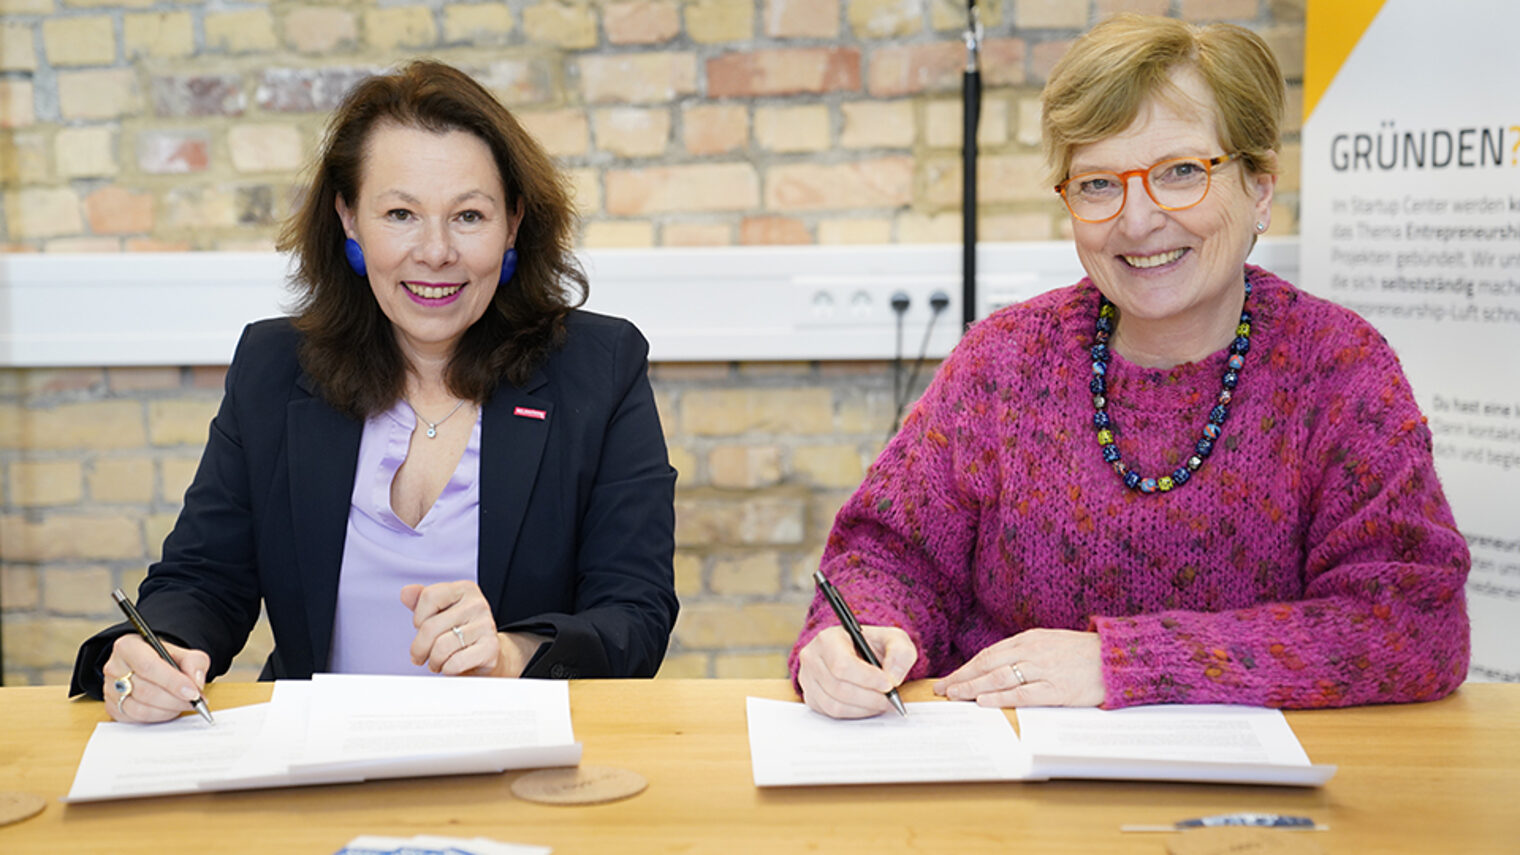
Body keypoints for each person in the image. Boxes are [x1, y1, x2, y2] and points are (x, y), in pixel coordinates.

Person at [791, 15, 1470, 718]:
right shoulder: (1003, 362)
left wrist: (1127, 663)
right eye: (1097, 184)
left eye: (1181, 173)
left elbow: (1412, 624)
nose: (1137, 219)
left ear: (1260, 189)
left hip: (1253, 813)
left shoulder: (1338, 370)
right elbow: (887, 559)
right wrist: (863, 634)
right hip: (1010, 794)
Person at [71, 60, 679, 723]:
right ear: (349, 218)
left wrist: (513, 652)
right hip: (320, 765)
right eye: (400, 213)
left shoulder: (598, 365)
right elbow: (203, 578)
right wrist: (157, 650)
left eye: (469, 215)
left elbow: (635, 613)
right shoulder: (275, 367)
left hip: (516, 761)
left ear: (514, 222)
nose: (436, 251)